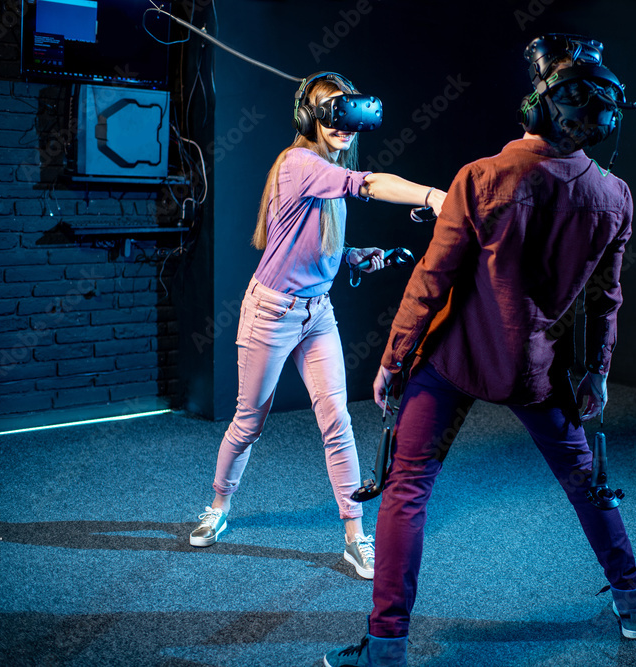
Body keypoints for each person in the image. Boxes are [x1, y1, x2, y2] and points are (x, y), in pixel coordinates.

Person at [324, 36, 636, 666]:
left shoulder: (481, 177)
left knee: (406, 488)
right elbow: (605, 301)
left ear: (537, 108)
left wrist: (394, 359)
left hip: (454, 359)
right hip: (538, 368)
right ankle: (633, 601)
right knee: (587, 482)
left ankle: (387, 645)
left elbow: (432, 279)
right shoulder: (615, 197)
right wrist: (599, 372)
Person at [190, 72, 447, 583]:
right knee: (248, 422)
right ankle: (218, 506)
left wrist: (353, 257)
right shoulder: (299, 163)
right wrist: (434, 196)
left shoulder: (326, 173)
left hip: (316, 312)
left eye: (350, 113)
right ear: (310, 118)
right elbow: (370, 184)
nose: (344, 124)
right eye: (333, 112)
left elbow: (310, 245)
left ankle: (355, 536)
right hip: (271, 312)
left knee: (338, 422)